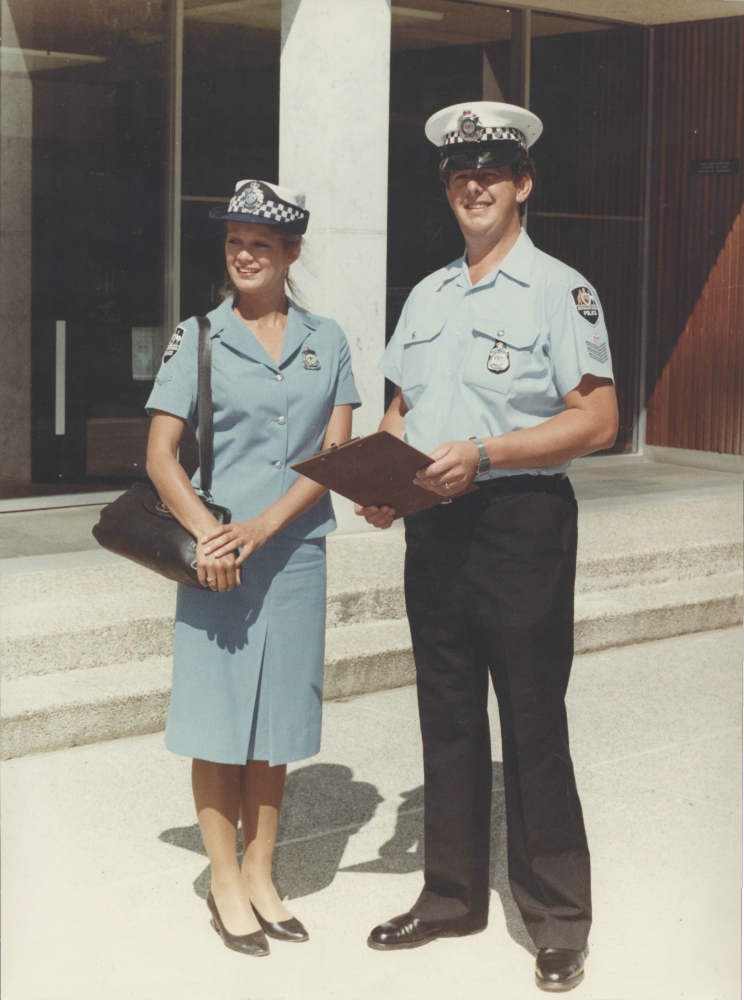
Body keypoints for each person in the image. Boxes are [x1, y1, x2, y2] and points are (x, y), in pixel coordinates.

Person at [356, 102, 618, 993]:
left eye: (493, 170)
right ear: (446, 187)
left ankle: (556, 917)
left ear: (524, 185)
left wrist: (488, 453)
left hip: (519, 523)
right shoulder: (428, 295)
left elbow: (599, 418)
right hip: (434, 525)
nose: (475, 183)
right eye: (461, 172)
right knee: (449, 710)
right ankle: (450, 895)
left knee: (534, 720)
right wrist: (386, 488)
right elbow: (400, 410)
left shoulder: (559, 289)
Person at [146, 179, 361, 956]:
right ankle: (225, 880)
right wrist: (209, 534)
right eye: (235, 242)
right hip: (218, 560)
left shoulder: (328, 338)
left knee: (274, 729)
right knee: (218, 722)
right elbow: (161, 456)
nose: (244, 255)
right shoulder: (198, 335)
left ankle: (264, 873)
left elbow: (334, 457)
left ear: (290, 254)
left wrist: (267, 527)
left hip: (294, 553)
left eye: (260, 245)